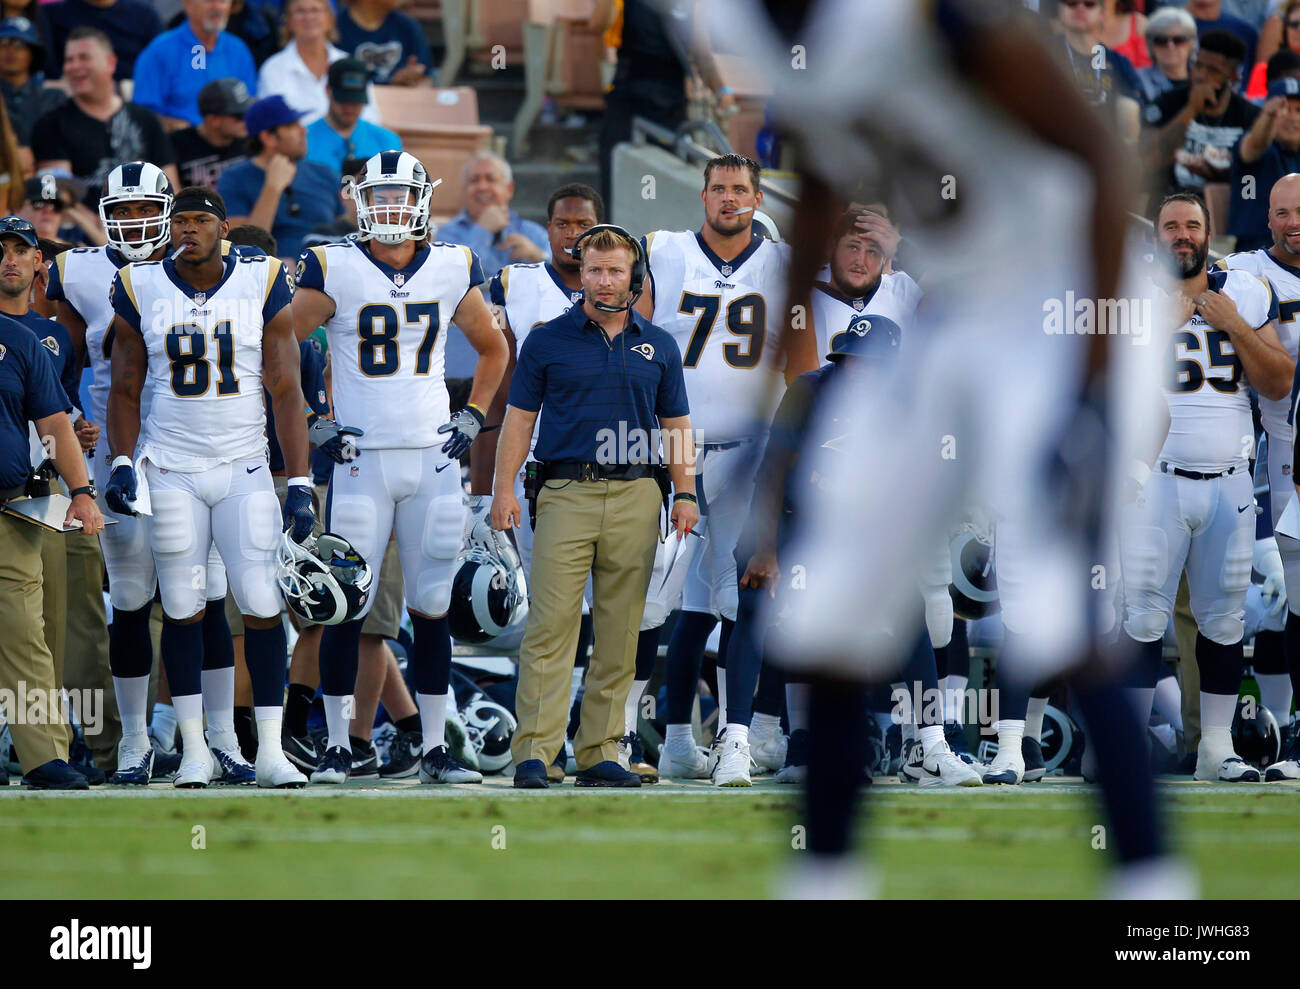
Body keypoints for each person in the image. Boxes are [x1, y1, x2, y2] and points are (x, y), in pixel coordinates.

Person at [290, 149, 508, 784]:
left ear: (421, 201)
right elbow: (280, 340)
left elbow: (494, 349)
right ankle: (336, 747)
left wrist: (473, 414)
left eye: (398, 196)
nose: (388, 208)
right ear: (361, 201)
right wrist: (313, 415)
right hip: (360, 461)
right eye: (377, 196)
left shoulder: (452, 264)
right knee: (341, 606)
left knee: (432, 607)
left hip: (433, 458)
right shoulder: (334, 264)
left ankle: (435, 751)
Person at [104, 185, 314, 789]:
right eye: (181, 221)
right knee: (182, 606)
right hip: (170, 466)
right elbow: (124, 387)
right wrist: (122, 461)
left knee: (262, 601)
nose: (188, 229)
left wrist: (297, 479)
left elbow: (285, 388)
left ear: (225, 228)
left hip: (245, 465)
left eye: (201, 220)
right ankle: (194, 748)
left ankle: (269, 750)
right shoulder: (142, 284)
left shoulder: (264, 278)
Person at [46, 163, 238, 784]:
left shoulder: (213, 266)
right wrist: (73, 418)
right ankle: (133, 741)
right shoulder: (78, 272)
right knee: (130, 599)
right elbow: (57, 359)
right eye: (120, 210)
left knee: (205, 601)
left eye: (141, 209)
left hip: (198, 451)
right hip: (118, 455)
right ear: (104, 213)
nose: (132, 222)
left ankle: (219, 739)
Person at [632, 153, 818, 784]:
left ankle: (737, 738)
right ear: (703, 196)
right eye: (719, 189)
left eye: (741, 189)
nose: (729, 199)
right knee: (677, 602)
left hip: (749, 452)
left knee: (745, 596)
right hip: (674, 452)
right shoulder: (665, 252)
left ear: (758, 197)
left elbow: (806, 372)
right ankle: (675, 741)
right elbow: (637, 346)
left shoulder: (783, 263)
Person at [491, 223, 698, 789]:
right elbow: (519, 419)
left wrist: (685, 491)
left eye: (615, 271)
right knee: (551, 627)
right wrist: (503, 487)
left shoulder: (660, 343)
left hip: (638, 493)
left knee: (620, 630)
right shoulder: (545, 340)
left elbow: (675, 424)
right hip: (564, 491)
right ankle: (536, 752)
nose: (604, 281)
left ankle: (601, 751)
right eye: (594, 270)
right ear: (580, 274)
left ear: (634, 276)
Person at [1123, 192, 1291, 783]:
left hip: (1230, 482)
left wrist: (1234, 326)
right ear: (1156, 237)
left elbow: (1276, 382)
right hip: (1154, 482)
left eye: (1192, 225)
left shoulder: (1243, 291)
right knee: (1142, 621)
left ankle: (1216, 750)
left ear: (1208, 232)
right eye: (1170, 226)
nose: (1181, 235)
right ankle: (1126, 749)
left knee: (1223, 622)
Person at [475, 182, 602, 783]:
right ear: (546, 226)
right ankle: (540, 738)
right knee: (548, 610)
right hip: (535, 466)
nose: (572, 234)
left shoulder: (626, 284)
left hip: (611, 465)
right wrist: (487, 480)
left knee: (610, 610)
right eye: (562, 223)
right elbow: (495, 381)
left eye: (583, 224)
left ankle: (591, 731)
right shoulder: (514, 284)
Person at [0, 270, 103, 789]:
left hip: (9, 506)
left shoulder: (19, 340)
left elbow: (54, 423)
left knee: (25, 635)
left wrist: (81, 493)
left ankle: (43, 756)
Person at [1212, 173, 1300, 781]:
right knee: (1289, 600)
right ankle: (1285, 731)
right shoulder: (1244, 272)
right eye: (1283, 212)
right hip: (1283, 443)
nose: (1294, 222)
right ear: (1266, 218)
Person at [30, 28, 180, 207]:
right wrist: (101, 231)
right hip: (81, 232)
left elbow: (171, 189)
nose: (74, 66)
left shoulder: (145, 120)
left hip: (146, 228)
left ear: (111, 63)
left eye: (84, 58)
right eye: (69, 60)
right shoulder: (51, 125)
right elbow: (59, 201)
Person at [218, 93, 343, 259]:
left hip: (327, 273)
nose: (304, 131)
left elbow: (345, 231)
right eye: (292, 125)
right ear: (268, 137)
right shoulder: (234, 179)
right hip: (269, 278)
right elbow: (242, 249)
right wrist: (272, 188)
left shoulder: (324, 173)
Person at [1142, 30, 1259, 198]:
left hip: (1224, 210)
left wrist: (1220, 175)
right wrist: (1191, 109)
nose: (1201, 76)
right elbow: (1151, 161)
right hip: (1168, 204)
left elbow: (1252, 184)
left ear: (1232, 77)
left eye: (1213, 70)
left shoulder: (1249, 116)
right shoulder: (1168, 103)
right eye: (1198, 66)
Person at [131, 0, 258, 129]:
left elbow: (250, 106)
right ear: (188, 5)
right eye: (209, 1)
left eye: (222, 1)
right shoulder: (159, 52)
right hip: (179, 143)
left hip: (231, 143)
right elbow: (143, 116)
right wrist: (179, 128)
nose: (217, 7)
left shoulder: (239, 50)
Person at [256, 0, 382, 125]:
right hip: (296, 144)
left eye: (315, 10)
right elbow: (271, 124)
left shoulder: (350, 65)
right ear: (287, 20)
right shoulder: (273, 69)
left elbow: (370, 117)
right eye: (300, 11)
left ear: (330, 19)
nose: (308, 17)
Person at [436, 152, 549, 277]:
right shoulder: (447, 235)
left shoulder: (533, 233)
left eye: (490, 179)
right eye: (474, 180)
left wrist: (539, 257)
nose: (482, 187)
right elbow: (453, 278)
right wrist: (483, 230)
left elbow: (564, 278)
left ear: (509, 189)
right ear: (464, 190)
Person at [1056, 0, 1142, 140]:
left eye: (1089, 4)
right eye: (1072, 3)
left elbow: (1129, 129)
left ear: (1102, 14)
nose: (1080, 8)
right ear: (1060, 11)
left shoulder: (1119, 63)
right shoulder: (1043, 53)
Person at [1231, 77, 1300, 250]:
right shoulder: (1262, 145)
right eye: (1283, 109)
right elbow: (1253, 147)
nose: (1292, 118)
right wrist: (1269, 116)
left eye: (1298, 110)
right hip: (1256, 249)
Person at [303, 57, 400, 175]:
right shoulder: (303, 140)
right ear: (328, 91)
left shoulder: (387, 141)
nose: (349, 108)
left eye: (355, 102)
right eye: (343, 100)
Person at [38, 0, 162, 81]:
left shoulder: (144, 14)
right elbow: (49, 69)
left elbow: (161, 65)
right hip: (75, 95)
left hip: (133, 95)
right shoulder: (52, 14)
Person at [171, 78, 252, 189]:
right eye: (240, 116)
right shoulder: (175, 144)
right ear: (213, 120)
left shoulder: (252, 140)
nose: (246, 120)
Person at [0, 16, 66, 148]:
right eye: (4, 43)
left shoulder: (54, 98)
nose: (11, 51)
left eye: (20, 44)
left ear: (33, 54)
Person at [336, 0, 431, 86]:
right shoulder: (335, 28)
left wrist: (412, 80)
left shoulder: (407, 26)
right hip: (353, 103)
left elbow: (426, 80)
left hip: (398, 101)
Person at [1136, 7, 1197, 105]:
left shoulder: (1204, 78)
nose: (1170, 46)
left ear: (1191, 43)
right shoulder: (1137, 79)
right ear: (1151, 46)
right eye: (1161, 41)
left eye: (1178, 40)